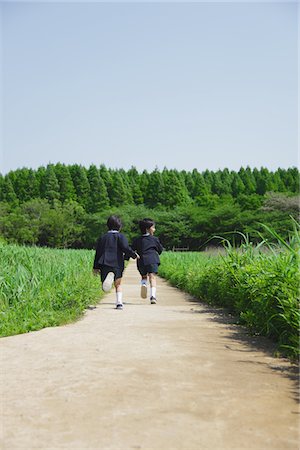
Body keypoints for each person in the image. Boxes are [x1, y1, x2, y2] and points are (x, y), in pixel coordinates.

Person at [93, 215, 138, 309]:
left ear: (107, 225)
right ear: (119, 226)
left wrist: (95, 267)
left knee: (105, 285)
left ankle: (107, 279)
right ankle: (119, 303)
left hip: (104, 263)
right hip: (117, 263)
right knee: (118, 284)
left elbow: (98, 252)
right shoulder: (121, 237)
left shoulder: (103, 237)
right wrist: (134, 255)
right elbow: (126, 248)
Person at [131, 218, 163, 304]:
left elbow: (131, 250)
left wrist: (133, 255)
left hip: (141, 261)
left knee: (144, 276)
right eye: (153, 227)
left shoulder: (137, 240)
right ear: (148, 229)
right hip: (152, 259)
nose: (154, 229)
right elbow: (160, 250)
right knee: (152, 277)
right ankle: (153, 296)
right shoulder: (154, 239)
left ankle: (144, 284)